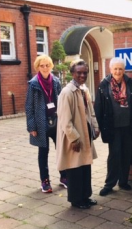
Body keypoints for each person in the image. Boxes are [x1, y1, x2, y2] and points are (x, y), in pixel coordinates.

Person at [94, 57, 132, 196]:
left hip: (128, 125)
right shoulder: (104, 85)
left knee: (126, 154)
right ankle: (109, 184)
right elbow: (99, 107)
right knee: (114, 155)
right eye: (115, 68)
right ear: (111, 69)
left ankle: (123, 181)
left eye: (120, 68)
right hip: (112, 126)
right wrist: (98, 126)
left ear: (124, 70)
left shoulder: (130, 83)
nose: (118, 71)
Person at [56, 59, 100, 209]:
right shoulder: (67, 92)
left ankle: (85, 196)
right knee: (74, 168)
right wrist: (74, 138)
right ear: (72, 73)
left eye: (85, 73)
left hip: (85, 132)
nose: (82, 75)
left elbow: (90, 111)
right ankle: (76, 200)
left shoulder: (84, 90)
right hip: (74, 136)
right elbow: (64, 119)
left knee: (85, 166)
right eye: (79, 72)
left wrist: (95, 126)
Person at [25, 54, 67, 193]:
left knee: (61, 150)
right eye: (42, 65)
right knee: (43, 153)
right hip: (40, 123)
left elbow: (62, 101)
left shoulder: (56, 81)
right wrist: (32, 127)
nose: (45, 68)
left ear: (51, 66)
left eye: (47, 65)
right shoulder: (33, 84)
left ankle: (64, 177)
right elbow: (29, 107)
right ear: (37, 67)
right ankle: (45, 181)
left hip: (56, 121)